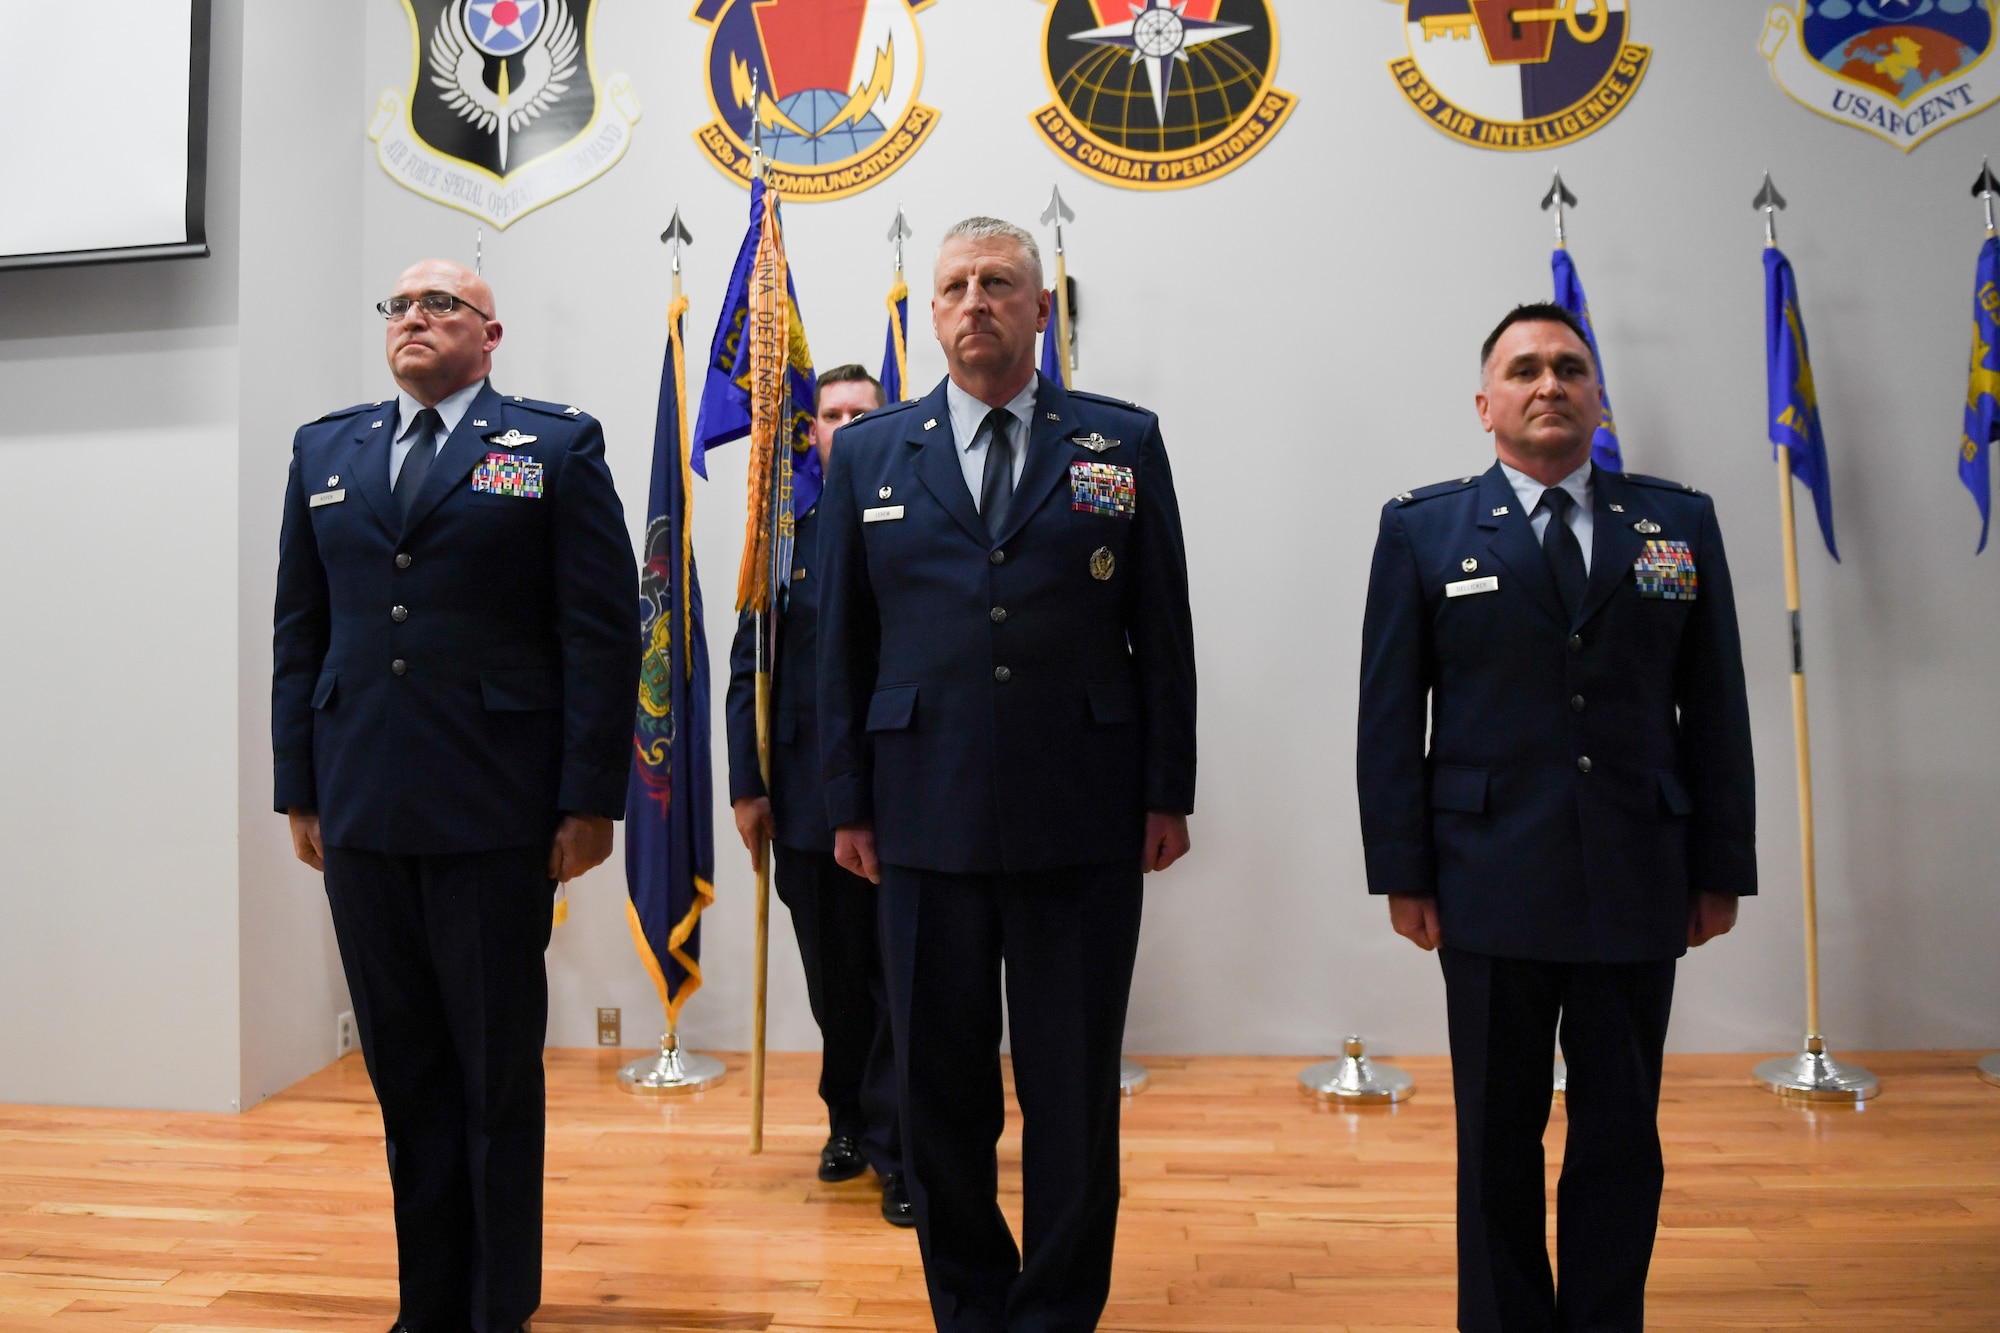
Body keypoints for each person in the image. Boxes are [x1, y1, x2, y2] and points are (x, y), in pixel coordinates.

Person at [816, 217, 1197, 1333]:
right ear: (928, 313)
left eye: (998, 284)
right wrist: (845, 800)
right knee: (938, 1090)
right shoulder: (870, 454)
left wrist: (1164, 788)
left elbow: (1160, 629)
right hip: (917, 811)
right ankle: (971, 1306)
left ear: (1041, 309)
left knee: (1071, 1088)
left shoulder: (1119, 445)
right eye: (953, 286)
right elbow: (839, 644)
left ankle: (1056, 1309)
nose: (973, 300)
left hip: (1081, 810)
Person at [1357, 303, 1756, 1332]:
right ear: (1484, 402)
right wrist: (1401, 868)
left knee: (1620, 1130)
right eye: (1524, 368)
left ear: (1595, 396)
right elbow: (1389, 711)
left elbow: (1714, 703)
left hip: (1636, 873)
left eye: (1569, 368)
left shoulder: (1674, 523)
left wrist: (1720, 863)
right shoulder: (1423, 526)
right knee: (1497, 1133)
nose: (1549, 384)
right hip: (1485, 872)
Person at [271, 259, 638, 1333]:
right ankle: (428, 1304)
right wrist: (299, 785)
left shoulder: (552, 446)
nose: (414, 318)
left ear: (491, 334)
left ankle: (495, 1306)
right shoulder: (324, 448)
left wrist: (588, 798)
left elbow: (600, 633)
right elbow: (303, 630)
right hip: (362, 805)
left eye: (441, 305)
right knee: (405, 1073)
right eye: (399, 305)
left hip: (495, 807)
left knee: (490, 1076)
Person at [727, 363, 910, 1227]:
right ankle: (848, 1121)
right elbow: (746, 671)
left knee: (902, 982)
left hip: (903, 793)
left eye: (860, 411)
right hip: (801, 797)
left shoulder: (916, 515)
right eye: (830, 414)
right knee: (836, 982)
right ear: (813, 431)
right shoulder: (783, 532)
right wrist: (745, 784)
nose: (843, 424)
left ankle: (902, 1146)